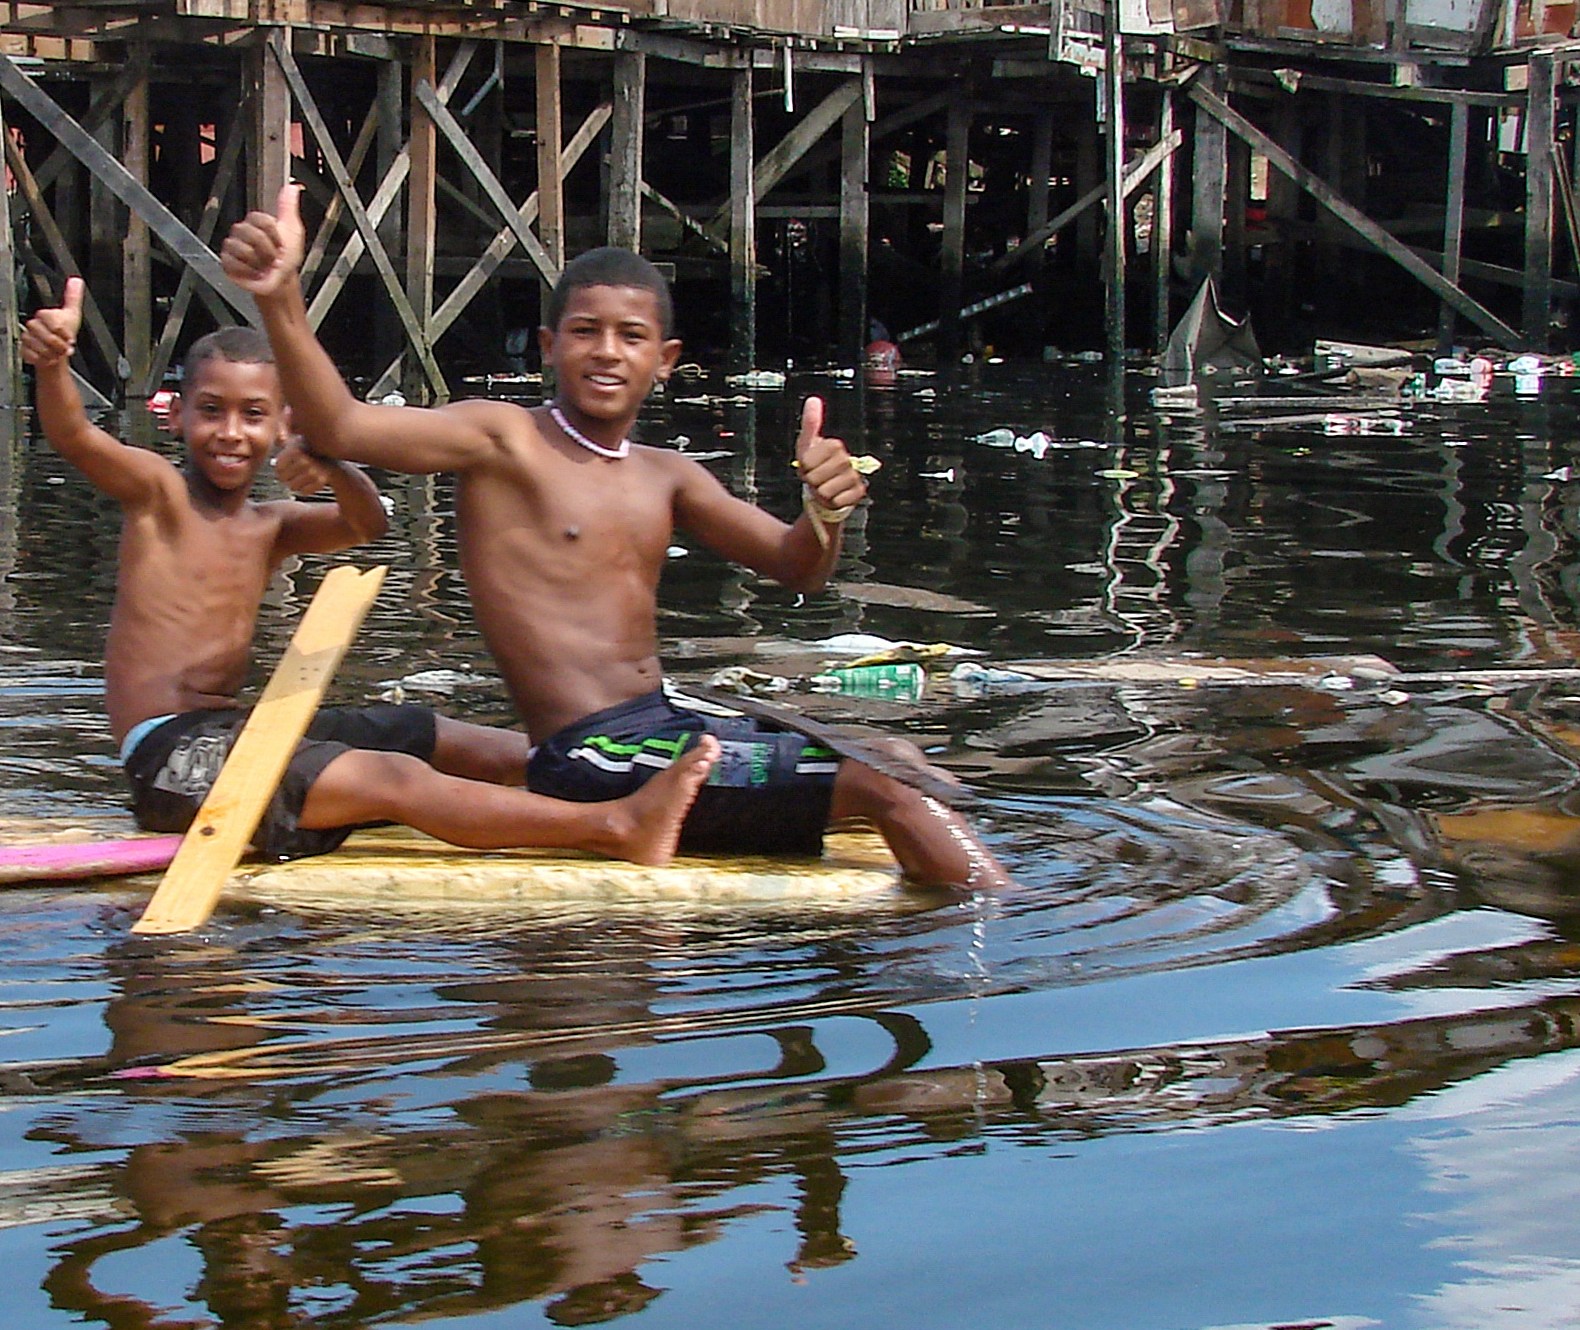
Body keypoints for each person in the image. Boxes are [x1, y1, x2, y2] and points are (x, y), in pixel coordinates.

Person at [216, 191, 1006, 890]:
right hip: (592, 759)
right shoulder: (501, 440)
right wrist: (282, 300)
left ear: (663, 361)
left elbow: (800, 568)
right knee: (890, 794)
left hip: (662, 725)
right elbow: (341, 425)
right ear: (551, 343)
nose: (606, 351)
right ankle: (1007, 943)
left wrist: (826, 513)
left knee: (906, 762)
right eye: (586, 331)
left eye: (630, 336)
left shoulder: (670, 476)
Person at [20, 278, 715, 867]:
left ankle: (601, 779)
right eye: (211, 412)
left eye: (253, 416)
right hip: (171, 761)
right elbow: (75, 437)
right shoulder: (157, 495)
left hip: (241, 732)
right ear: (174, 420)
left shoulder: (271, 526)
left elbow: (367, 525)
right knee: (394, 777)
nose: (231, 432)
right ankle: (617, 827)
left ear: (281, 425)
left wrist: (333, 465)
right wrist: (53, 367)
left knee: (422, 730)